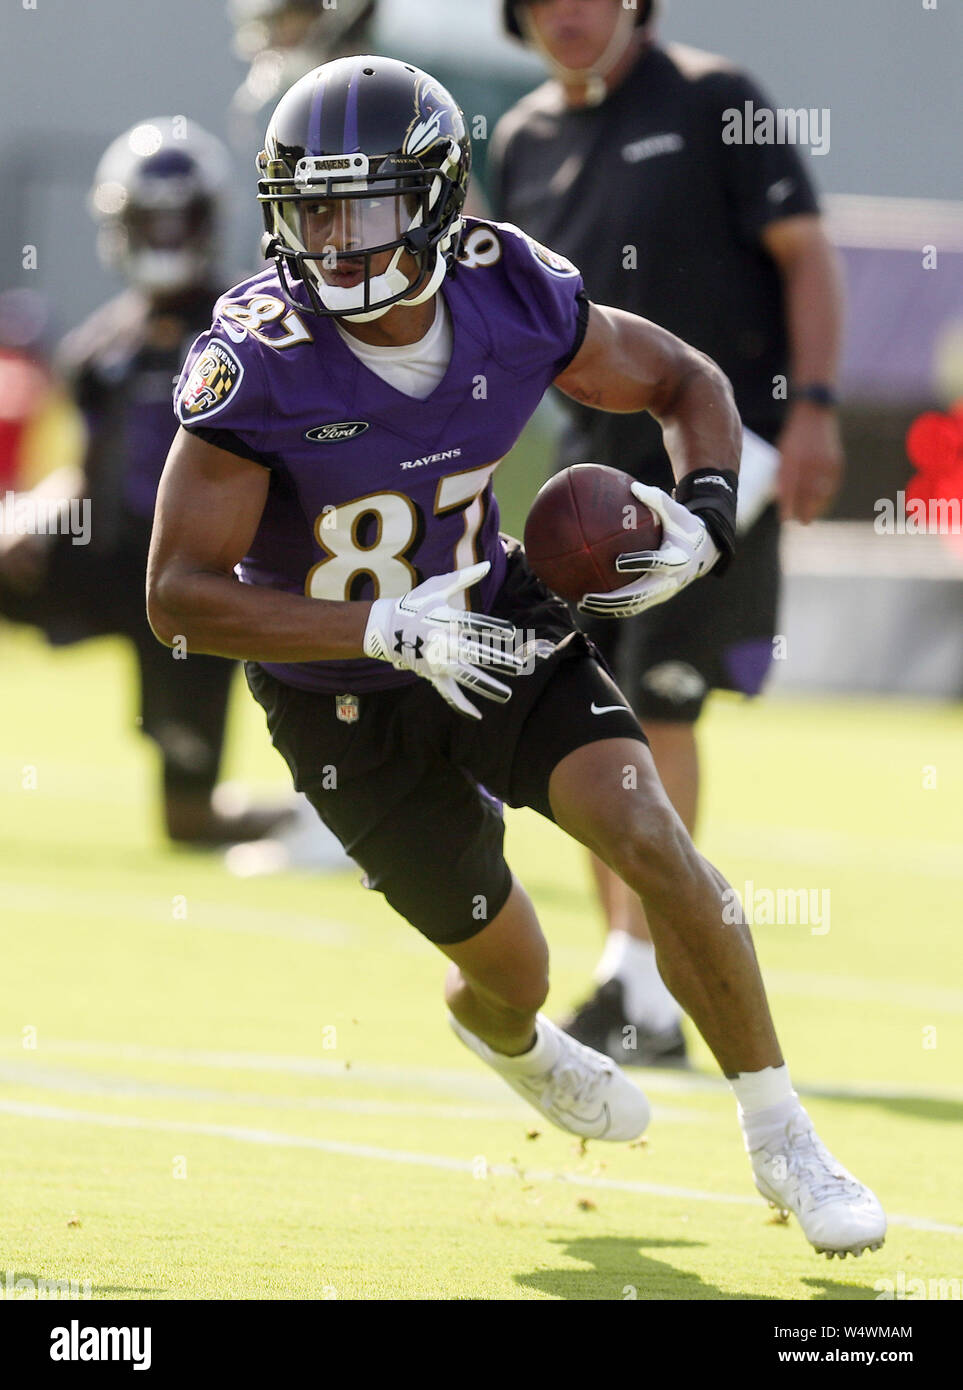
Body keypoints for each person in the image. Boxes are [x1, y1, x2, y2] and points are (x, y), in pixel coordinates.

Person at [146, 55, 883, 1259]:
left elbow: (683, 377)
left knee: (650, 838)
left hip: (495, 624)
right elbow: (178, 595)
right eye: (312, 208)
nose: (334, 239)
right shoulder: (262, 360)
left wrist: (698, 507)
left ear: (438, 200)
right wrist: (377, 628)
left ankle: (783, 1135)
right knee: (512, 970)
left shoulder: (511, 294)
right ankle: (518, 1042)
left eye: (365, 203)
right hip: (341, 697)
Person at [490, 0, 845, 1066]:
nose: (569, 14)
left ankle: (641, 980)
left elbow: (808, 258)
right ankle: (629, 977)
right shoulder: (521, 140)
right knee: (588, 713)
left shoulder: (713, 98)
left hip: (718, 456)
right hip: (590, 478)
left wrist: (816, 408)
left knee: (664, 703)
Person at [0, 118, 292, 847]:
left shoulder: (247, 330)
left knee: (187, 825)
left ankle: (315, 814)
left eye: (178, 217)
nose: (163, 236)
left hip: (196, 586)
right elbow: (89, 469)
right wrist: (32, 512)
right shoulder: (98, 347)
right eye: (149, 219)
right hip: (107, 560)